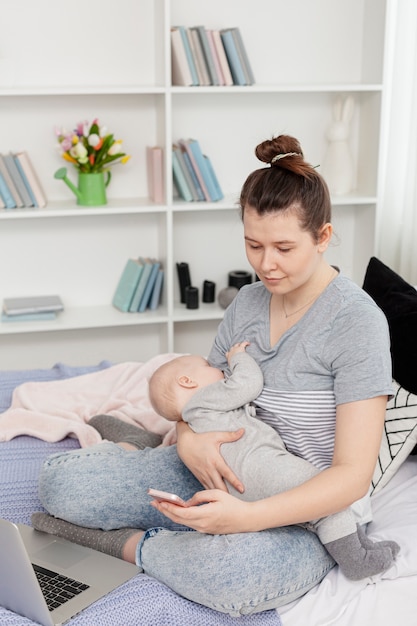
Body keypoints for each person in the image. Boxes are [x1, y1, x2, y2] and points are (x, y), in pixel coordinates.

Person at [32, 134, 395, 616]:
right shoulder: (247, 304)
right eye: (253, 244)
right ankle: (148, 460)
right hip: (212, 464)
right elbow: (204, 399)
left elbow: (352, 476)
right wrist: (187, 440)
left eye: (284, 248)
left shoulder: (356, 323)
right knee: (63, 488)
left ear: (323, 237)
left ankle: (128, 545)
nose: (266, 264)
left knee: (232, 576)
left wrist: (244, 519)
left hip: (306, 510)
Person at [147, 342, 399, 581]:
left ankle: (360, 546)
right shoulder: (206, 398)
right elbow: (248, 383)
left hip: (239, 489)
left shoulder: (194, 419)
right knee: (325, 496)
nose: (218, 368)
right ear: (188, 381)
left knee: (312, 513)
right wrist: (238, 358)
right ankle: (357, 560)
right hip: (262, 468)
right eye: (207, 365)